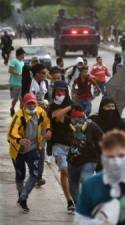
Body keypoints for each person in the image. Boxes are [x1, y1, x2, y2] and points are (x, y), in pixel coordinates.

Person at [7, 93, 51, 212]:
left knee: (35, 174)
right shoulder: (18, 115)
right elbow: (10, 133)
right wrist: (19, 140)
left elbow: (47, 123)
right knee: (20, 175)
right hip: (18, 151)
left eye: (33, 103)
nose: (31, 105)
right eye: (29, 103)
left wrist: (48, 131)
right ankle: (21, 194)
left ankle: (24, 197)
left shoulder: (41, 112)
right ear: (24, 104)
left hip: (33, 148)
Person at [48, 80, 75, 213]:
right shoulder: (52, 106)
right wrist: (70, 107)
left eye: (62, 91)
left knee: (73, 174)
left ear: (66, 92)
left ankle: (75, 197)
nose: (60, 93)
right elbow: (56, 115)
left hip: (73, 145)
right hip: (58, 145)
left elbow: (80, 121)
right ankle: (69, 200)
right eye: (57, 91)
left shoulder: (74, 105)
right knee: (64, 170)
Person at [67, 104, 103, 203]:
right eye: (74, 118)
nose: (77, 121)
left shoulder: (92, 126)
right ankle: (80, 207)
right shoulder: (68, 127)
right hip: (73, 160)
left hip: (89, 159)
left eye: (80, 118)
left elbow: (103, 140)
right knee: (72, 184)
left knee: (85, 179)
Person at [90, 97, 125, 167]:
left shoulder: (119, 121)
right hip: (99, 155)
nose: (111, 109)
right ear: (102, 108)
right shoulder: (95, 120)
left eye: (112, 106)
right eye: (107, 107)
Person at [8, 47, 25, 117]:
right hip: (14, 83)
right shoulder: (14, 61)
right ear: (20, 54)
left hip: (21, 83)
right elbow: (10, 70)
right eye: (23, 54)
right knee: (15, 98)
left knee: (21, 98)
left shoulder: (22, 62)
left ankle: (21, 112)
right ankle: (12, 108)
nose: (24, 56)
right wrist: (18, 73)